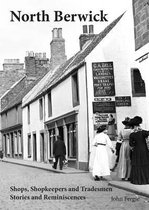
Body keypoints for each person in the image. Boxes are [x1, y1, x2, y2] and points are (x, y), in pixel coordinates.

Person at [129, 116, 149, 184]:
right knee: (145, 163)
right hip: (144, 150)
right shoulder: (143, 132)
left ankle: (138, 180)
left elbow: (131, 145)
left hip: (136, 151)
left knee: (137, 164)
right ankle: (146, 179)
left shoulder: (132, 134)